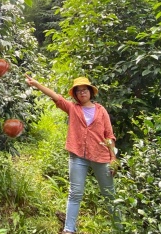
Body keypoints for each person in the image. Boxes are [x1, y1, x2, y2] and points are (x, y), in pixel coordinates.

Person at [24, 74, 121, 233]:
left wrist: (113, 158)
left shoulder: (101, 110)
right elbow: (56, 97)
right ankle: (69, 229)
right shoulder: (73, 108)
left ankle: (120, 228)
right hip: (77, 156)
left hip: (101, 156)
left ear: (90, 92)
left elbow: (109, 135)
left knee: (109, 194)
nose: (82, 93)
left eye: (85, 90)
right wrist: (36, 84)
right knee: (75, 193)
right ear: (75, 95)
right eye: (79, 91)